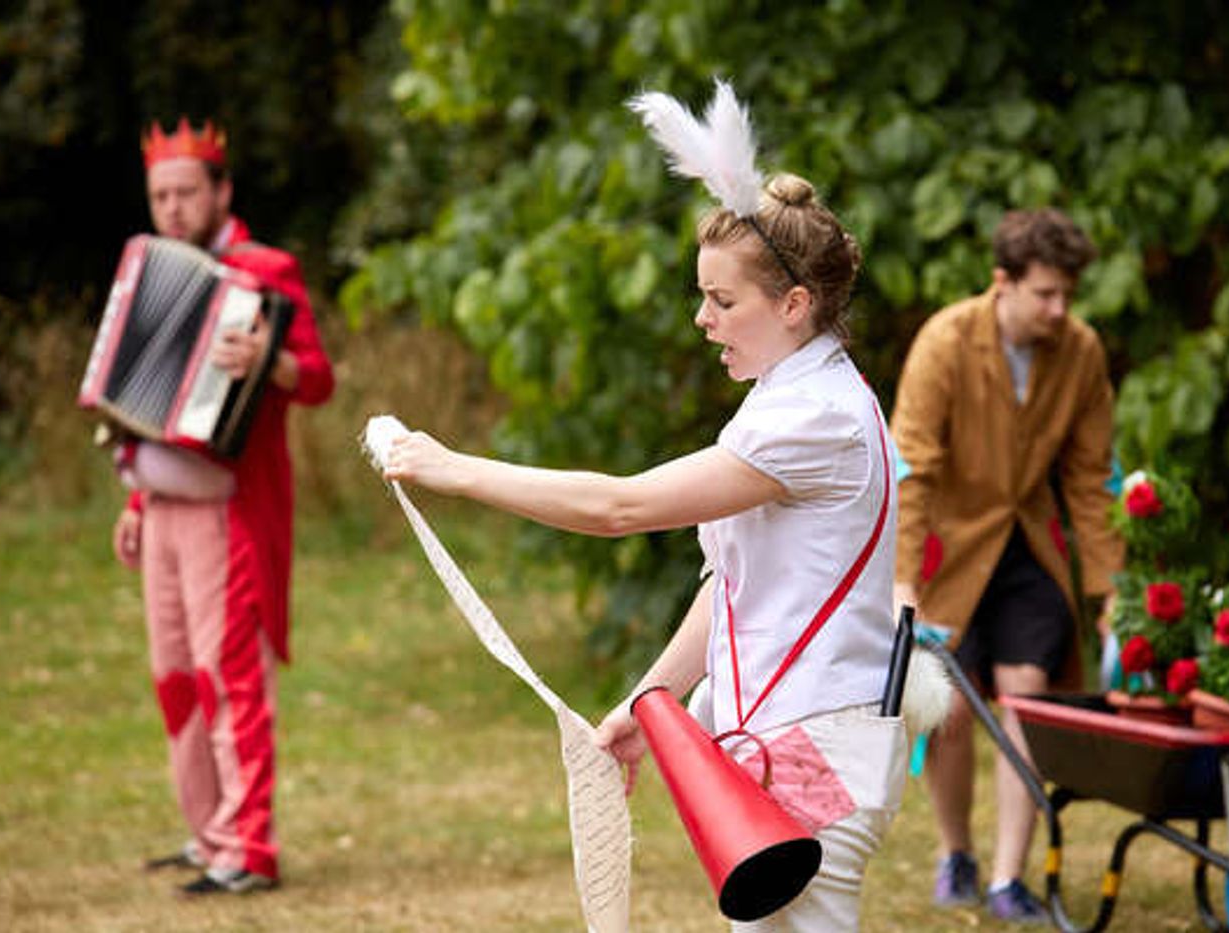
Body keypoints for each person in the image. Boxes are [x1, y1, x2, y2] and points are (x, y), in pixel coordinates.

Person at [384, 83, 913, 931]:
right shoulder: (785, 398)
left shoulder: (815, 417)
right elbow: (732, 585)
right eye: (702, 295)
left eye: (723, 300)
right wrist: (647, 702)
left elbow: (619, 508)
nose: (703, 319)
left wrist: (458, 469)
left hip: (814, 741)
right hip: (775, 739)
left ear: (795, 305)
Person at [109, 117, 334, 896]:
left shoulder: (266, 270)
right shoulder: (149, 268)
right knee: (175, 675)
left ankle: (250, 846)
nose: (171, 208)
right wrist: (137, 498)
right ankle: (209, 834)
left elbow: (317, 378)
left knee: (228, 675)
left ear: (222, 191)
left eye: (185, 193)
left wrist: (265, 360)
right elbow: (142, 395)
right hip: (162, 503)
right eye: (159, 195)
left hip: (229, 507)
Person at [890, 208, 1123, 924]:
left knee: (1029, 694)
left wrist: (1113, 591)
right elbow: (913, 469)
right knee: (953, 711)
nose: (1060, 309)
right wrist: (902, 579)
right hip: (952, 552)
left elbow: (1090, 481)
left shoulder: (1080, 352)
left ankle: (1007, 876)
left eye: (1067, 295)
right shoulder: (946, 341)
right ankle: (956, 852)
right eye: (1046, 293)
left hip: (1029, 548)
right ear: (1004, 283)